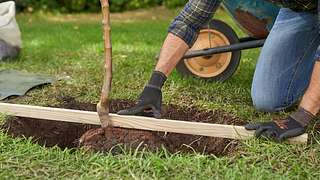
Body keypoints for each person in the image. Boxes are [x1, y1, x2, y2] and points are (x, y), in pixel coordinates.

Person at [118, 0, 320, 142]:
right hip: (298, 10)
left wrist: (302, 115)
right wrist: (154, 84)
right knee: (267, 99)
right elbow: (188, 22)